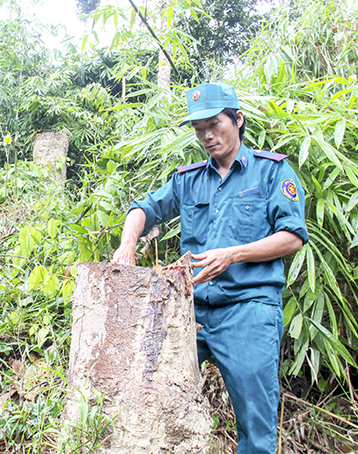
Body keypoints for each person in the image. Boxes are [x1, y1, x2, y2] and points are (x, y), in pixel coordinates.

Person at [112, 83, 308, 454]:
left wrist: (234, 255)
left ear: (238, 120)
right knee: (150, 399)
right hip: (190, 313)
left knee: (255, 425)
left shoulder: (271, 172)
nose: (207, 136)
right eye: (199, 129)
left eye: (214, 124)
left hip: (249, 311)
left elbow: (293, 237)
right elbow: (143, 208)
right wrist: (128, 244)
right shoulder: (188, 179)